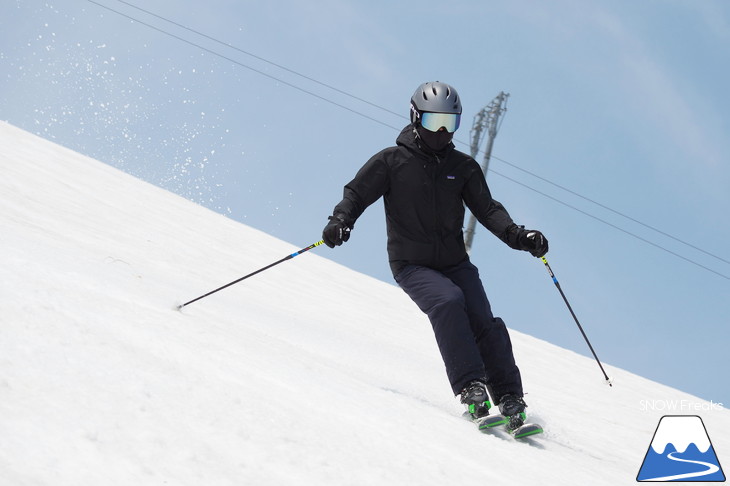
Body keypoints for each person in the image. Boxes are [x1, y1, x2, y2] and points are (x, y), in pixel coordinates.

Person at [322, 81, 548, 429]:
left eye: (449, 123)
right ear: (415, 118)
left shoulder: (464, 167)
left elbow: (488, 210)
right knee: (447, 302)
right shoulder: (391, 161)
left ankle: (509, 397)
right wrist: (340, 221)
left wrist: (520, 236)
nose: (441, 132)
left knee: (484, 321)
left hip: (455, 263)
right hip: (412, 265)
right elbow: (356, 194)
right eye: (432, 122)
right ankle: (471, 387)